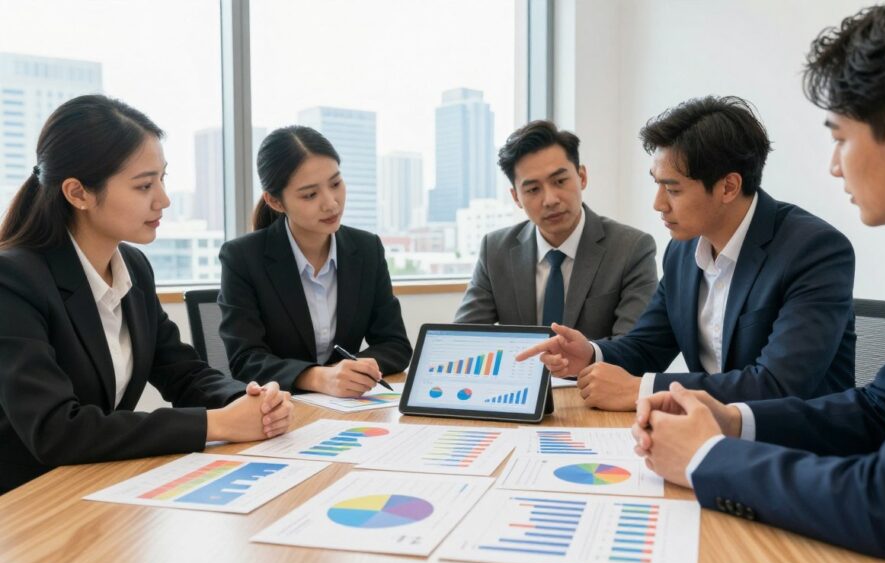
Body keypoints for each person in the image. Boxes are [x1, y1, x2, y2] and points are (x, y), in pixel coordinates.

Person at [631, 2, 885, 563]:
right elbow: (877, 410)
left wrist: (707, 458)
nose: (835, 166)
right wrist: (733, 420)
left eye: (841, 138)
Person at [0, 95, 293, 494]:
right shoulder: (14, 280)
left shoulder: (133, 268)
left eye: (162, 178)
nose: (163, 199)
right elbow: (56, 430)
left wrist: (251, 399)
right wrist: (217, 424)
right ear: (78, 193)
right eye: (143, 185)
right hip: (26, 503)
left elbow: (181, 371)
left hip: (94, 486)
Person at [518, 97, 856, 410]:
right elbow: (648, 345)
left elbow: (778, 385)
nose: (658, 204)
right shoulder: (682, 250)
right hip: (709, 436)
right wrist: (591, 353)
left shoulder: (815, 251)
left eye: (673, 189)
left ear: (728, 186)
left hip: (796, 450)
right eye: (657, 184)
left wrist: (643, 390)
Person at [219, 126, 412, 397]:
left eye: (335, 184)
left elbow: (395, 344)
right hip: (281, 408)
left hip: (348, 407)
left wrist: (350, 372)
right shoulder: (242, 257)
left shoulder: (366, 249)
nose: (331, 203)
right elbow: (245, 360)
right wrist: (318, 377)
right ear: (275, 201)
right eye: (310, 195)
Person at [454, 120, 658, 340]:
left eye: (560, 181)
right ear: (516, 198)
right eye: (533, 189)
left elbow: (634, 345)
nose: (550, 200)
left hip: (591, 374)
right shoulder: (495, 250)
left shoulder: (631, 249)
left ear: (582, 177)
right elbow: (462, 338)